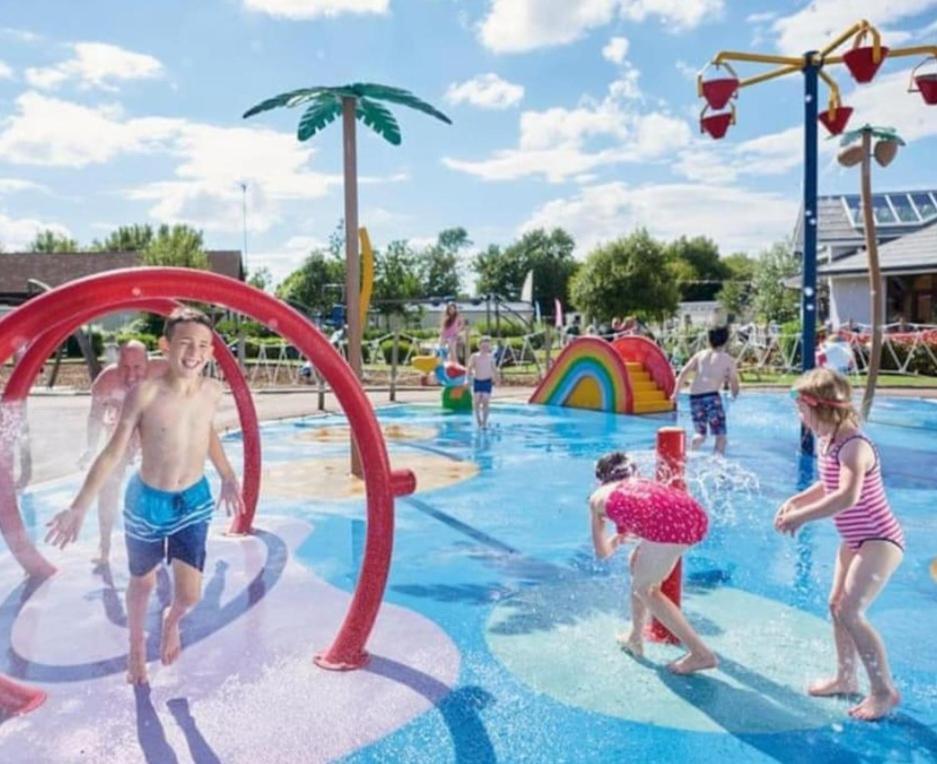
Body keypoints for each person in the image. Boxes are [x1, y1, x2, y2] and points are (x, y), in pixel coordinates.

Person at [46, 307, 244, 685]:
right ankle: (136, 646)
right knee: (143, 583)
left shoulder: (212, 391)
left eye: (203, 345)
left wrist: (228, 475)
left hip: (193, 500)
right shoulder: (145, 394)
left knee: (190, 596)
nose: (194, 351)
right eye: (185, 343)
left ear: (212, 352)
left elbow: (206, 432)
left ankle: (171, 621)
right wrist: (78, 506)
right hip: (147, 503)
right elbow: (114, 451)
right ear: (165, 346)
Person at [775, 369, 903, 721]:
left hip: (879, 539)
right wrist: (798, 499)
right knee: (836, 606)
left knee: (851, 611)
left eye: (802, 411)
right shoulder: (826, 440)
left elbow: (847, 496)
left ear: (821, 408)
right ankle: (846, 676)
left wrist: (802, 518)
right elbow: (827, 484)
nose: (800, 418)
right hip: (854, 539)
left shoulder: (855, 446)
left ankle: (883, 691)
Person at [588, 451, 716, 674]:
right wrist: (622, 538)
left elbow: (602, 552)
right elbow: (656, 512)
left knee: (645, 589)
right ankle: (635, 637)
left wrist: (615, 542)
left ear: (600, 478)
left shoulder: (597, 497)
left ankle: (700, 654)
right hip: (696, 517)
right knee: (636, 561)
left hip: (670, 528)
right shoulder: (638, 484)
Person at [78, 341, 167, 565]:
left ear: (148, 363)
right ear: (117, 364)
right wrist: (90, 447)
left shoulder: (163, 369)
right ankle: (104, 544)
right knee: (107, 486)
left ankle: (161, 539)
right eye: (124, 367)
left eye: (137, 368)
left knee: (160, 484)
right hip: (120, 434)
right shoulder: (107, 381)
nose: (130, 375)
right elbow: (95, 417)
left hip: (151, 432)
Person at [671, 326, 740, 455]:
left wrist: (675, 393)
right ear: (726, 341)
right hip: (712, 397)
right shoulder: (728, 360)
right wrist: (735, 395)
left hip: (695, 397)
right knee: (721, 436)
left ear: (708, 340)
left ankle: (693, 451)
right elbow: (734, 382)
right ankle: (717, 463)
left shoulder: (700, 355)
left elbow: (683, 374)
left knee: (700, 434)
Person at [467, 336, 499, 428]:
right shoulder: (475, 356)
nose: (485, 348)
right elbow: (469, 368)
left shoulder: (490, 357)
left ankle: (484, 422)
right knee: (476, 401)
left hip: (487, 381)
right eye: (483, 346)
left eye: (487, 347)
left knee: (485, 401)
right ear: (479, 346)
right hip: (477, 381)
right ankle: (478, 420)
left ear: (489, 347)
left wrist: (497, 379)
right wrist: (468, 378)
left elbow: (494, 369)